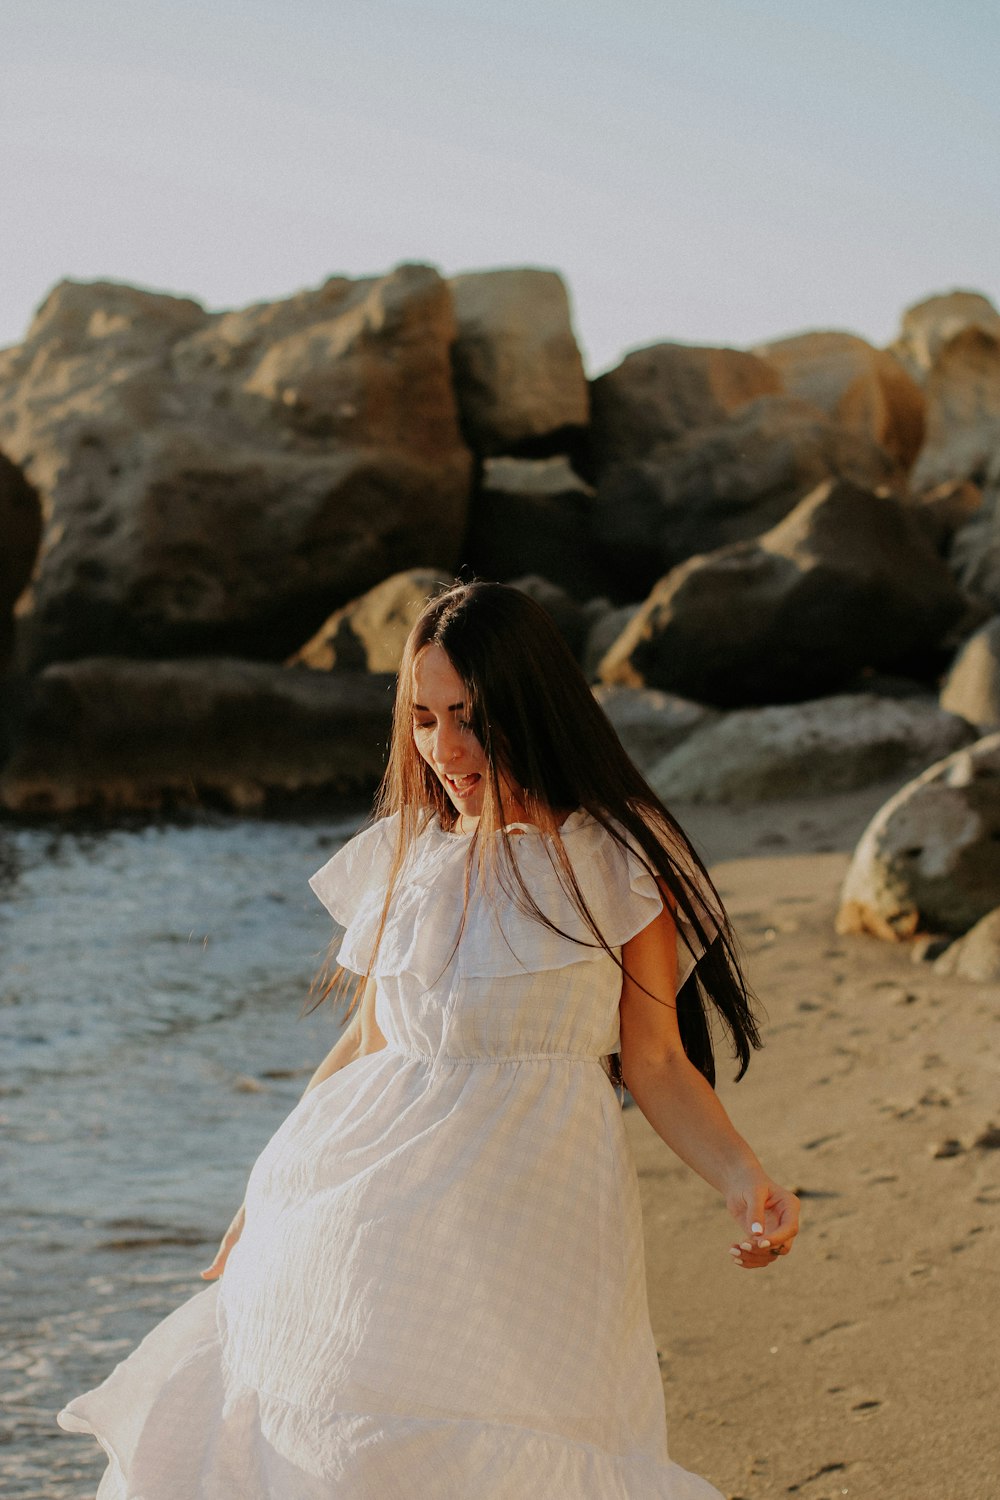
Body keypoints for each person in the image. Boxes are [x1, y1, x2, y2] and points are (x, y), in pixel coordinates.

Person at [58, 579, 799, 1498]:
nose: (443, 749)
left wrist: (741, 1177)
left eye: (469, 717)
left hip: (539, 1227)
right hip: (370, 1214)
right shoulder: (409, 855)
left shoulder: (617, 858)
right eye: (422, 718)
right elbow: (368, 1045)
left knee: (521, 1457)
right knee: (355, 1453)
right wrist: (267, 1188)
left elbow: (653, 1061)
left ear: (530, 706)